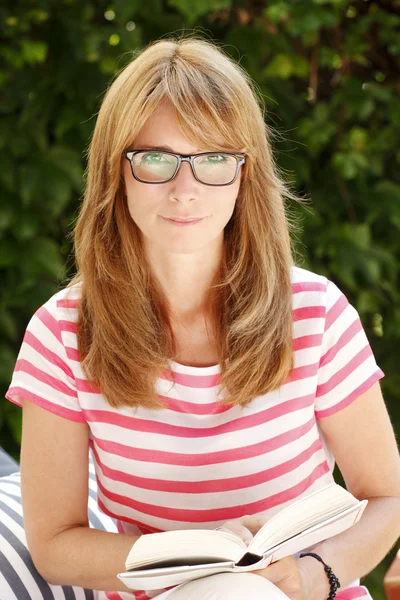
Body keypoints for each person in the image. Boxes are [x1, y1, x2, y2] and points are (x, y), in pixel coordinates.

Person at [5, 34, 400, 600]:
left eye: (213, 159)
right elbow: (55, 544)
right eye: (156, 160)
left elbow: (386, 496)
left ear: (245, 174)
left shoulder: (316, 313)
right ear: (116, 172)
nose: (184, 189)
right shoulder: (62, 333)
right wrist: (198, 560)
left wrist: (314, 574)